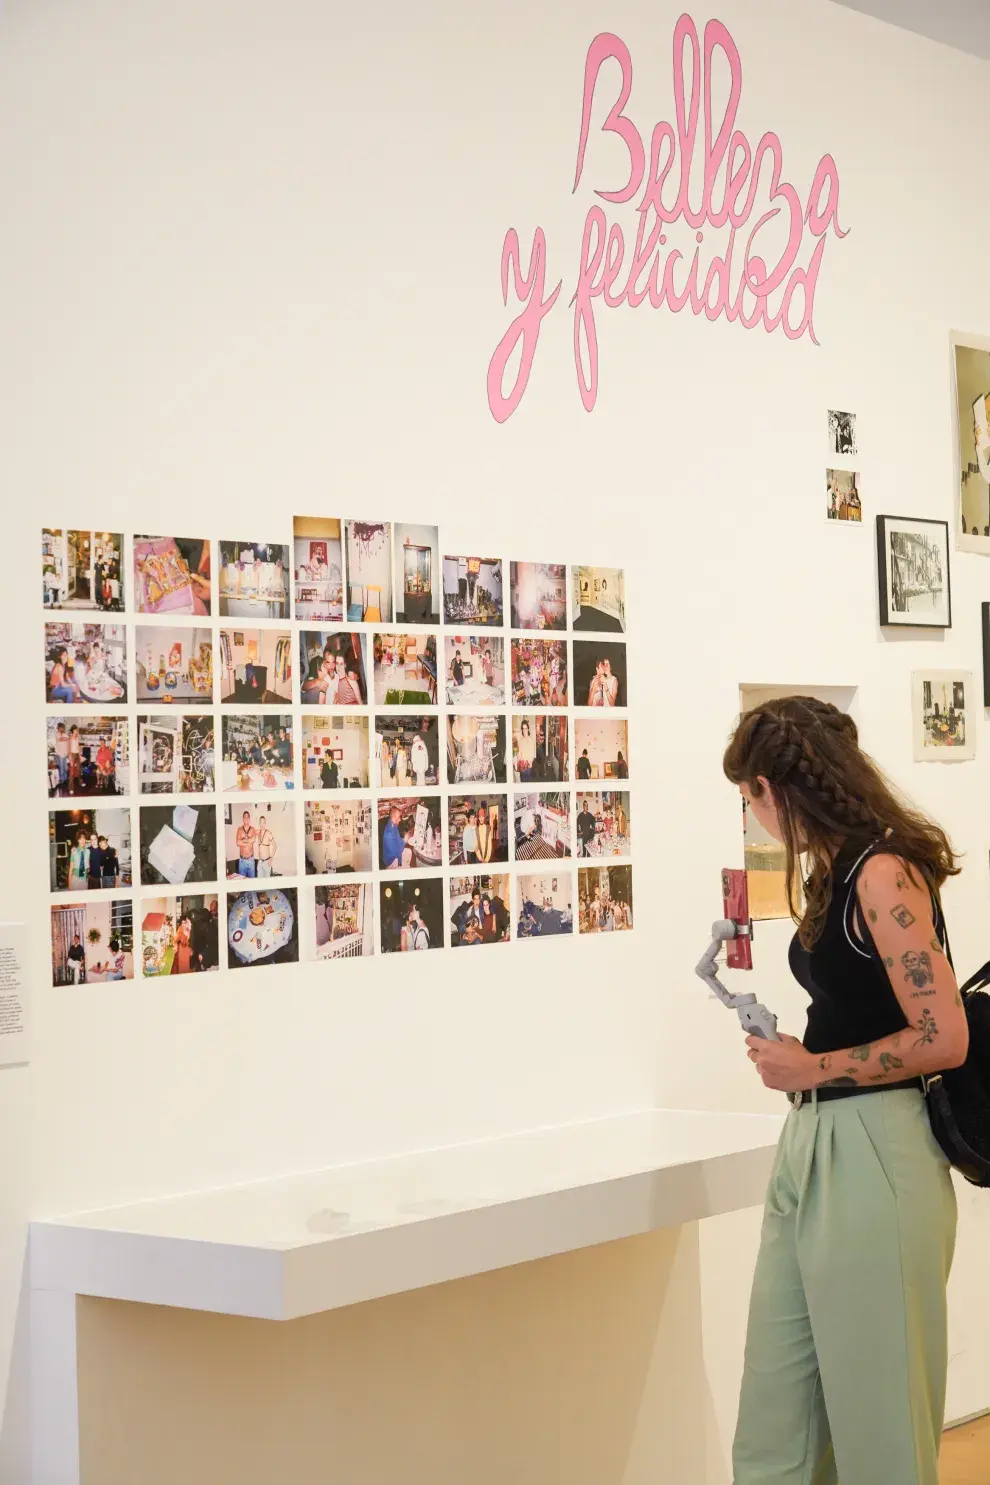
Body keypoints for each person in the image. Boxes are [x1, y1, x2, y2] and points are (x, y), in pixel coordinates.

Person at [722, 695, 967, 1485]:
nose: (754, 817)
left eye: (748, 799)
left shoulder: (885, 871)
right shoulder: (836, 868)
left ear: (773, 787)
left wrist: (811, 1066)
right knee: (776, 1417)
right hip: (817, 1146)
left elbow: (946, 1035)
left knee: (881, 1425)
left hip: (878, 1151)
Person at [236, 811, 257, 876]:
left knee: (252, 883)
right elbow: (238, 842)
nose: (246, 818)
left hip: (251, 861)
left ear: (249, 818)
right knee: (242, 883)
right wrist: (249, 842)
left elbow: (253, 839)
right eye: (244, 817)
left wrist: (243, 840)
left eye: (247, 817)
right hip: (242, 861)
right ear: (243, 818)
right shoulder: (239, 829)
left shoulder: (252, 829)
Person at [53, 723, 70, 793]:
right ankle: (62, 782)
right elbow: (61, 739)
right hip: (60, 754)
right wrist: (68, 738)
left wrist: (68, 752)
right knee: (61, 768)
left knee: (65, 768)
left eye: (63, 728)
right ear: (59, 728)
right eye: (61, 728)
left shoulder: (65, 734)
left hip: (65, 754)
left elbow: (68, 741)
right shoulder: (57, 734)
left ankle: (65, 780)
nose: (62, 729)